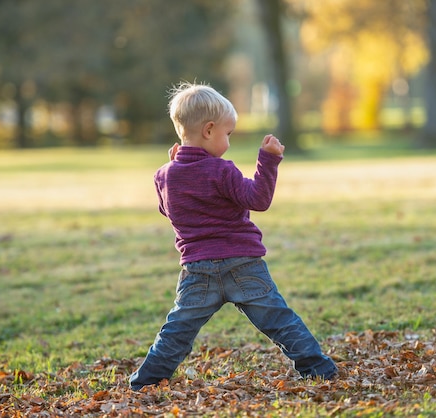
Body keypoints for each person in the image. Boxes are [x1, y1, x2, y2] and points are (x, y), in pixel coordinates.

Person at [129, 82, 338, 391]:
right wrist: (268, 160)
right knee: (279, 320)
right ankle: (318, 369)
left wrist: (173, 167)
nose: (228, 141)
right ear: (209, 130)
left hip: (197, 269)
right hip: (243, 264)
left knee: (178, 330)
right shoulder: (222, 171)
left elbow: (167, 211)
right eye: (228, 134)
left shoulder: (164, 175)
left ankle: (145, 382)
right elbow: (258, 199)